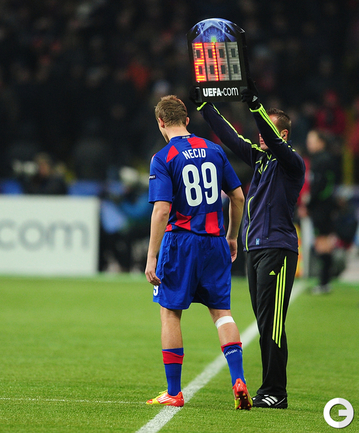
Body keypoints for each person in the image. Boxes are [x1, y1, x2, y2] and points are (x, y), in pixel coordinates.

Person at [193, 80, 305, 409]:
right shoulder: (260, 159)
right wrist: (206, 108)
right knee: (264, 321)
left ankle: (276, 391)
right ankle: (270, 388)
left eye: (268, 130)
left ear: (283, 134)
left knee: (272, 324)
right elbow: (231, 138)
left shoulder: (291, 163)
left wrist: (256, 107)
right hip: (255, 249)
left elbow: (271, 138)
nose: (261, 136)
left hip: (278, 250)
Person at [145, 95, 251, 410]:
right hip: (215, 242)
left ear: (161, 122)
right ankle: (238, 379)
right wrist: (231, 236)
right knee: (222, 313)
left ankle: (173, 392)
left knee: (170, 313)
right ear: (187, 120)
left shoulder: (163, 157)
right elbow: (238, 197)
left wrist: (151, 255)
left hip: (181, 242)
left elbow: (162, 210)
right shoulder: (214, 150)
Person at [304, 129, 338, 294]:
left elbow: (322, 186)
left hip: (322, 208)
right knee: (322, 242)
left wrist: (310, 203)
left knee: (322, 243)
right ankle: (325, 281)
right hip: (322, 207)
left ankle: (324, 282)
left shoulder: (323, 160)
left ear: (321, 142)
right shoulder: (320, 159)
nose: (308, 144)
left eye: (312, 140)